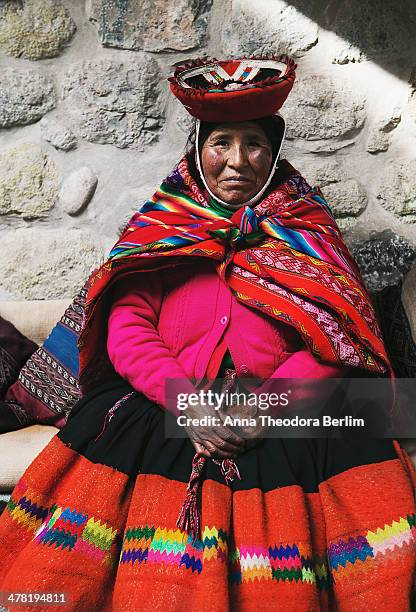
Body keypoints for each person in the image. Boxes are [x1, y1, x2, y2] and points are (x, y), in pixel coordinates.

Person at [0, 55, 414, 612]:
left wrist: (263, 406)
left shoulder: (306, 229)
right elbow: (127, 328)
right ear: (199, 150)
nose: (236, 161)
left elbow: (332, 336)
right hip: (165, 397)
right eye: (221, 142)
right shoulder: (164, 227)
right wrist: (187, 402)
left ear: (273, 152)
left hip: (279, 404)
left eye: (253, 144)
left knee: (359, 464)